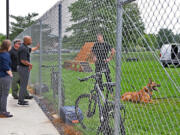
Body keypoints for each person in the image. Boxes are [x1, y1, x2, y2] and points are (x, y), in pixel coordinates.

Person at [17, 36, 40, 105]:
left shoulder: (25, 46)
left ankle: (22, 98)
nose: (31, 41)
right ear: (26, 41)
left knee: (23, 84)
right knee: (23, 85)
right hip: (23, 68)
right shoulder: (23, 48)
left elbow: (31, 49)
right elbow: (23, 61)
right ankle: (21, 101)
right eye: (30, 40)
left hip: (23, 68)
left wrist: (37, 47)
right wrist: (30, 64)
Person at [0, 40, 13, 118]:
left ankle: (1, 110)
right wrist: (10, 74)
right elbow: (6, 67)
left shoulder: (1, 53)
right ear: (8, 46)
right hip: (5, 76)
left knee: (1, 94)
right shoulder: (6, 54)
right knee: (5, 94)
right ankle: (3, 112)